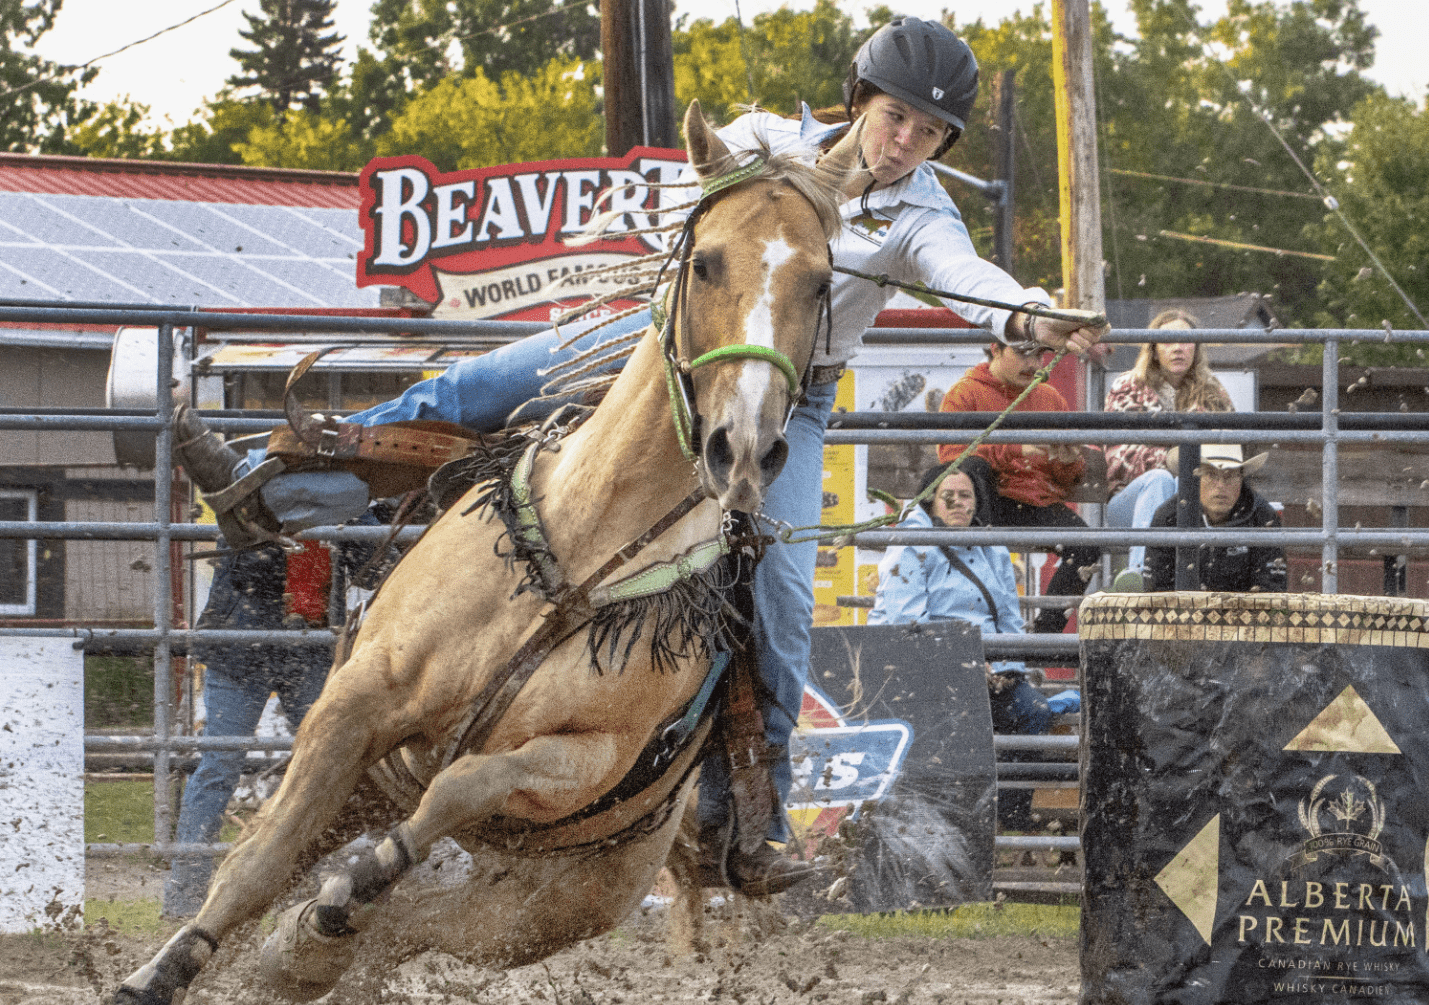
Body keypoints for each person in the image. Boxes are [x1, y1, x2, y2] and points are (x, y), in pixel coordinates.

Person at [171, 16, 1108, 897]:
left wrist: (1028, 313)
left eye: (928, 131)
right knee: (480, 387)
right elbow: (678, 199)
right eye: (896, 114)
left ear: (941, 147)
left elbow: (964, 278)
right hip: (674, 337)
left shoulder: (921, 218)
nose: (903, 140)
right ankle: (285, 478)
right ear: (861, 98)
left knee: (781, 582)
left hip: (790, 387)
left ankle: (755, 809)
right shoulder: (762, 140)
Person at [162, 529, 382, 918]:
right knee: (219, 768)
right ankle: (183, 902)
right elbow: (247, 568)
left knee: (331, 764)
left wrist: (363, 529)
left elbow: (373, 564)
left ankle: (316, 894)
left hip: (306, 648)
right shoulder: (258, 489)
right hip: (244, 646)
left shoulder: (343, 495)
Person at [866, 466, 1070, 830]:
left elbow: (1008, 620)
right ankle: (958, 823)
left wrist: (1009, 669)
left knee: (1034, 709)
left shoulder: (992, 548)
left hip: (988, 671)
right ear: (931, 502)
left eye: (967, 496)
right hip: (927, 670)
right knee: (959, 717)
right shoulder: (911, 545)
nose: (959, 503)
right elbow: (907, 622)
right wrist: (966, 664)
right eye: (950, 495)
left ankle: (1008, 817)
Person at [936, 340, 1099, 633]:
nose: (1034, 364)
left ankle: (1043, 636)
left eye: (1039, 354)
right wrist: (1014, 449)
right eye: (1024, 353)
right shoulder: (965, 394)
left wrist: (1067, 460)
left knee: (1087, 546)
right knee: (974, 471)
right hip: (985, 504)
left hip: (1033, 503)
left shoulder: (1049, 398)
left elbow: (1064, 479)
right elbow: (953, 460)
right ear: (995, 349)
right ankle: (984, 626)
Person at [1102, 309, 1234, 583]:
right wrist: (1177, 459)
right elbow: (1120, 459)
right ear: (1153, 349)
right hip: (1130, 501)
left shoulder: (1213, 393)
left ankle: (1192, 581)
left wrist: (1180, 457)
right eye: (1168, 341)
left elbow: (1229, 449)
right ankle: (1142, 578)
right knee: (1161, 480)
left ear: (1196, 349)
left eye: (1186, 341)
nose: (1178, 348)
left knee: (1183, 489)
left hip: (1193, 500)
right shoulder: (1128, 386)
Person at [1141, 444, 1286, 593]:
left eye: (1229, 476)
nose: (1221, 486)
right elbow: (1156, 591)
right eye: (1211, 475)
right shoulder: (1168, 517)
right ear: (1195, 478)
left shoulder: (1262, 517)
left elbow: (1271, 590)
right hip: (1182, 614)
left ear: (1241, 480)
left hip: (1244, 614)